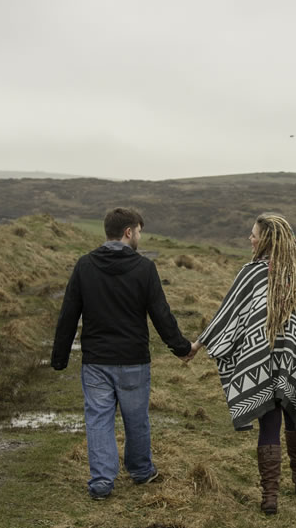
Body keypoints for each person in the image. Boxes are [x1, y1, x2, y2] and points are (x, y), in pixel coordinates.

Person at [186, 213, 296, 515]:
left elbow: (228, 313)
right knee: (295, 416)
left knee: (272, 424)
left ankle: (272, 496)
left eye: (254, 234)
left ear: (266, 239)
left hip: (262, 361)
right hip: (295, 358)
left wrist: (199, 343)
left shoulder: (267, 272)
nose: (250, 238)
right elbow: (230, 310)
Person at [51, 207, 192, 500]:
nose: (140, 236)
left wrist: (60, 357)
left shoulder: (85, 266)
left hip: (96, 361)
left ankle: (102, 482)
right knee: (136, 417)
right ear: (128, 232)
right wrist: (182, 348)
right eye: (139, 231)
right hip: (133, 360)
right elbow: (161, 315)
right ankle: (141, 471)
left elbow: (68, 315)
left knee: (98, 420)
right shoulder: (144, 269)